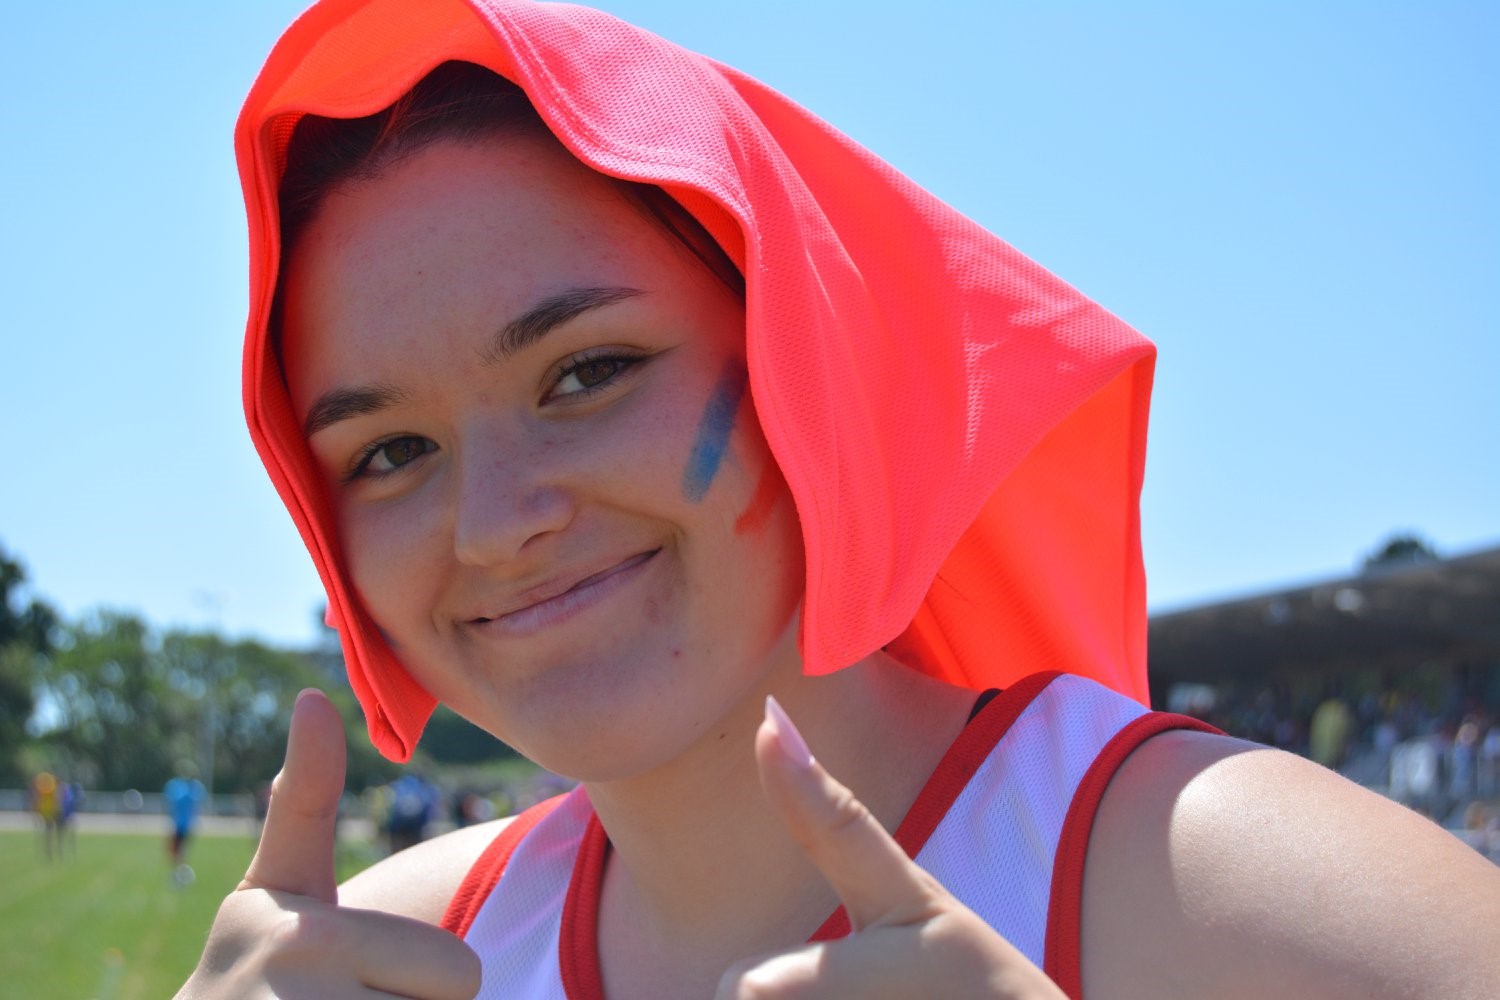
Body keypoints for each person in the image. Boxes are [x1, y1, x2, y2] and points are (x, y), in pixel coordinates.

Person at [180, 2, 1500, 997]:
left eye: (587, 372)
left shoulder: (1236, 895)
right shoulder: (389, 951)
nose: (493, 524)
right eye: (391, 452)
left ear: (807, 362)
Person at [165, 765, 207, 885]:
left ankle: (181, 874)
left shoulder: (193, 788)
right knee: (175, 851)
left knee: (179, 851)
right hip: (178, 824)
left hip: (185, 825)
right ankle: (179, 872)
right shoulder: (179, 787)